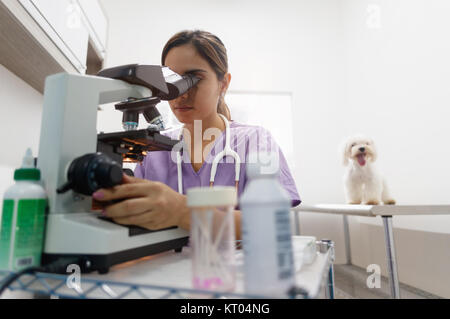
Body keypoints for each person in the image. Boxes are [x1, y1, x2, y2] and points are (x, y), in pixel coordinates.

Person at [92, 30, 301, 240]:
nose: (181, 94)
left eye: (195, 79)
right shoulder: (153, 149)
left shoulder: (255, 141)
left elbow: (273, 223)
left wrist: (183, 212)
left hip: (234, 270)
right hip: (161, 270)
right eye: (171, 80)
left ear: (223, 83)